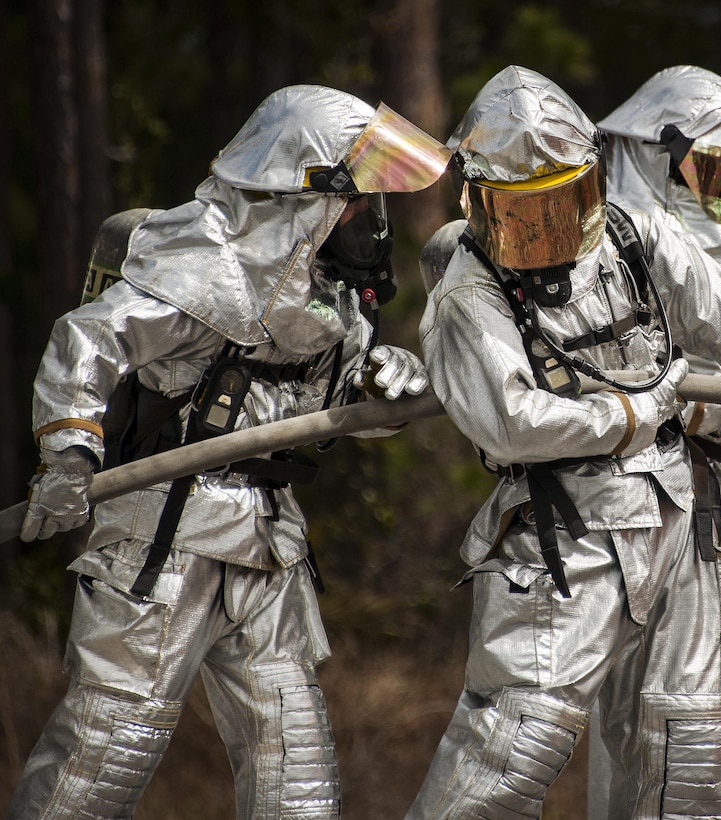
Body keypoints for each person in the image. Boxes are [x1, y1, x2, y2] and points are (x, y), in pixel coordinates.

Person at [406, 65, 721, 819]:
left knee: (689, 754)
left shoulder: (635, 237)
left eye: (561, 204)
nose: (544, 234)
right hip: (562, 540)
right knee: (511, 756)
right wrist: (636, 414)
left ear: (594, 180)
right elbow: (511, 421)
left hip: (684, 525)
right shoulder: (467, 281)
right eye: (520, 212)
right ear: (477, 201)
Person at [9, 85, 449, 819]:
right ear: (301, 200)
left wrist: (385, 387)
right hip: (163, 541)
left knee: (295, 776)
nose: (370, 223)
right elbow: (86, 339)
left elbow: (325, 411)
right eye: (357, 203)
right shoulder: (198, 265)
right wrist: (69, 457)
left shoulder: (326, 301)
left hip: (269, 545)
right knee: (102, 759)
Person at [594, 64, 721, 819]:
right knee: (668, 745)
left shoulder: (696, 280)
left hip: (720, 512)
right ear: (654, 162)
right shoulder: (604, 268)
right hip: (646, 522)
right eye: (709, 178)